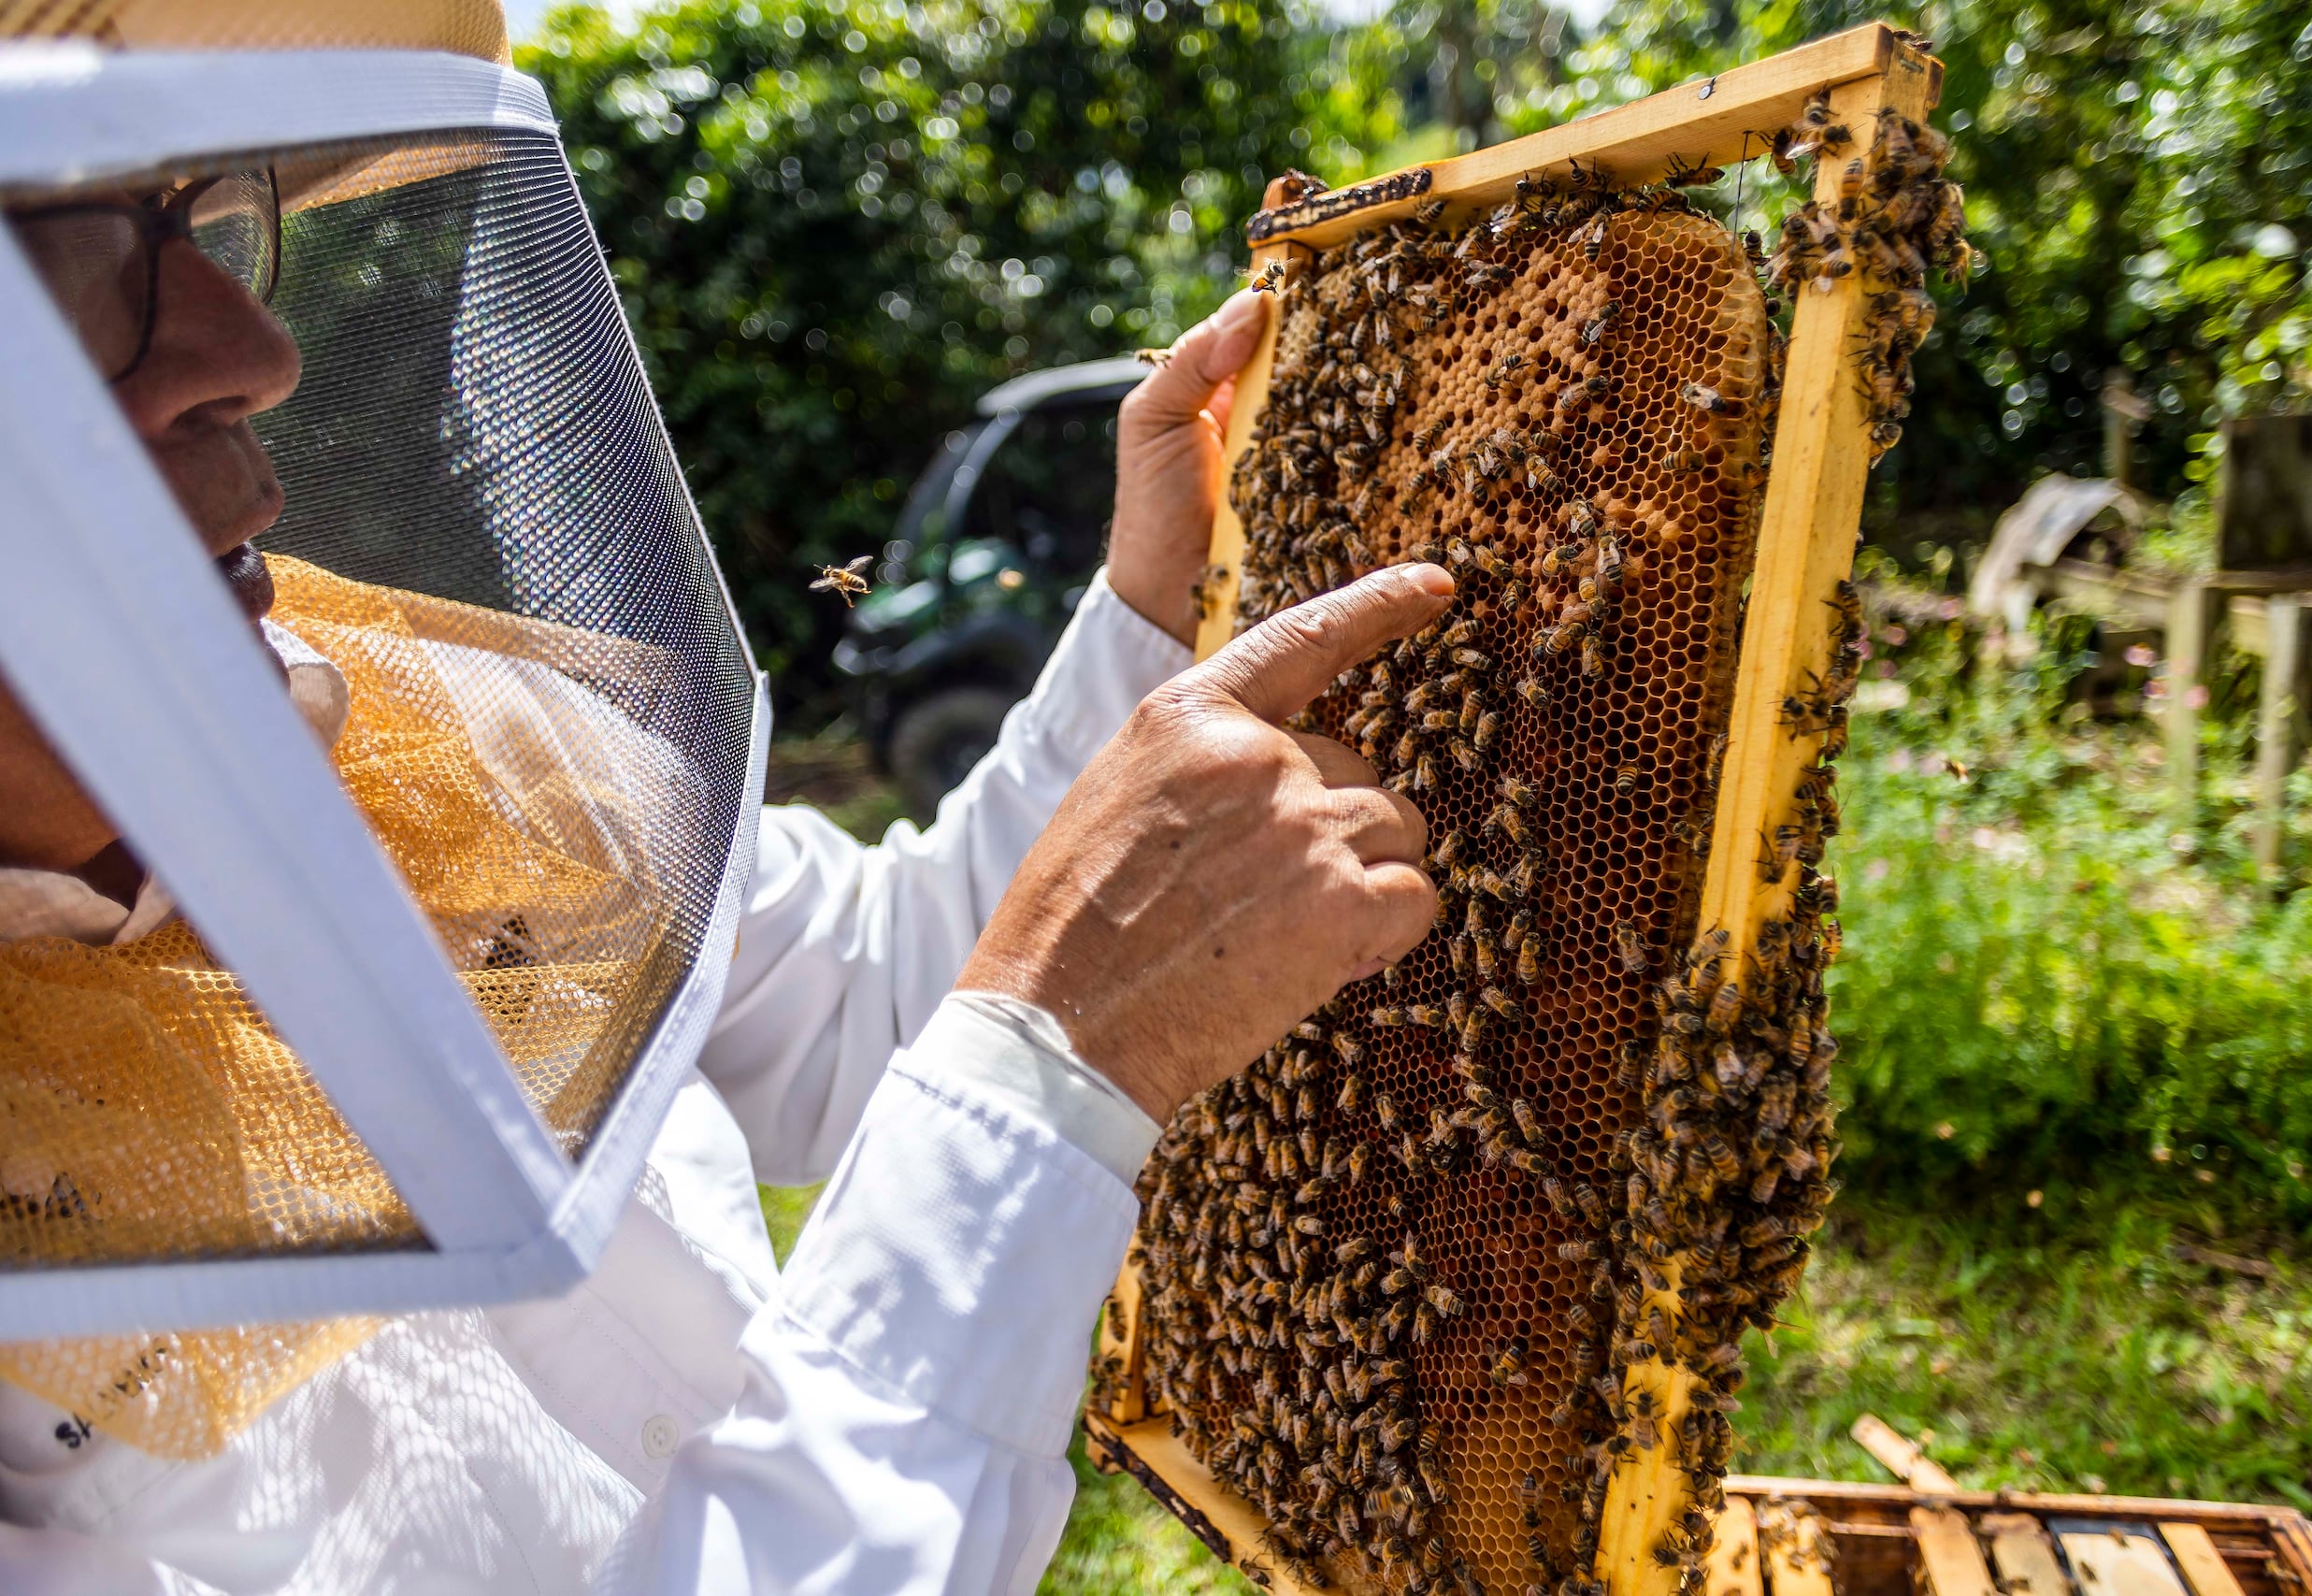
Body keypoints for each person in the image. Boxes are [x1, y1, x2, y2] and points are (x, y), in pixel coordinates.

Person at [0, 93, 1453, 1596]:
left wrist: (1155, 613)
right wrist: (1052, 1063)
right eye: (57, 268)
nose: (253, 349)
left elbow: (873, 1002)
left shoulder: (425, 728)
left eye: (199, 218)